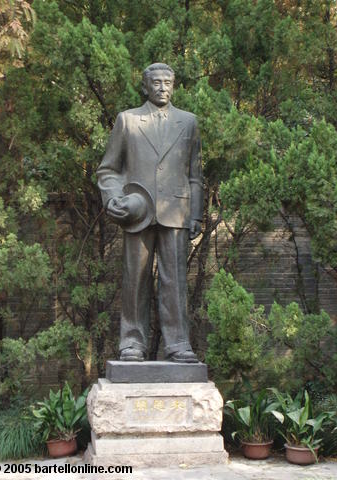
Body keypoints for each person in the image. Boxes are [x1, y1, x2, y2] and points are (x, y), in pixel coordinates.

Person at [97, 63, 203, 362]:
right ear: (145, 87)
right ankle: (132, 342)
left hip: (176, 212)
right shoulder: (128, 121)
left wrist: (196, 214)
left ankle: (178, 343)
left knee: (176, 282)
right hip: (137, 212)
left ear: (174, 85)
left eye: (168, 82)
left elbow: (195, 174)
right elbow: (108, 170)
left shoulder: (189, 122)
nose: (162, 87)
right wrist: (115, 198)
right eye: (156, 82)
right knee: (135, 280)